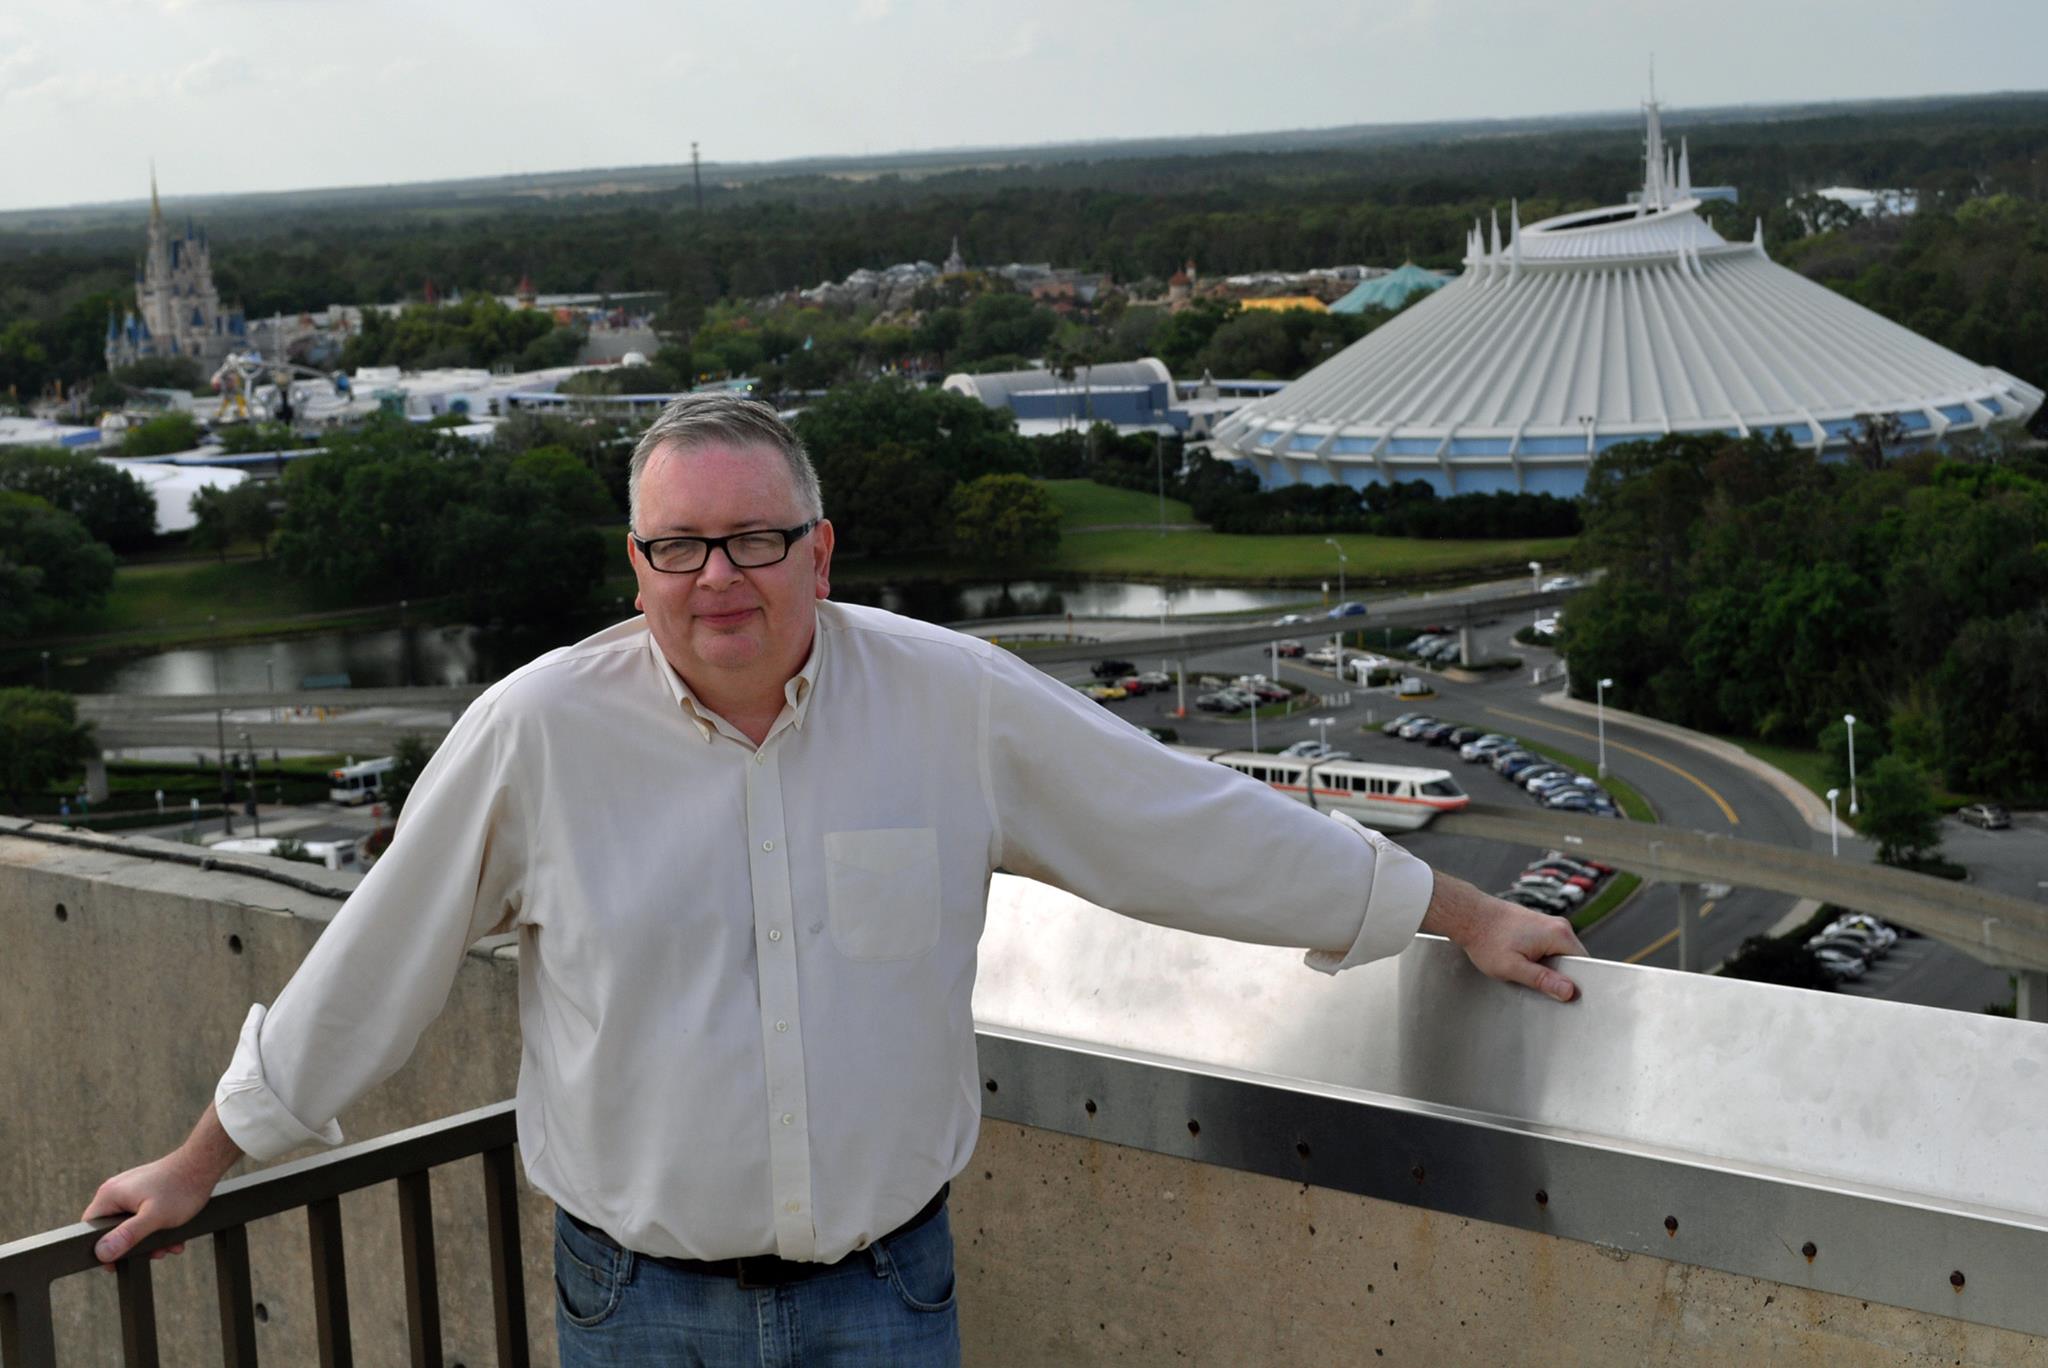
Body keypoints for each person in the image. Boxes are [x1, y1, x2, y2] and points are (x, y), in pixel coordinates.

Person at [85, 394, 1583, 1366]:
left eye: (755, 539)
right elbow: (379, 964)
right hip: (636, 1310)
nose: (717, 577)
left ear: (821, 552)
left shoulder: (951, 701)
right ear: (633, 564)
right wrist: (199, 1162)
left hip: (884, 1298)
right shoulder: (535, 735)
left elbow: (1186, 822)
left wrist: (1460, 912)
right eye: (680, 547)